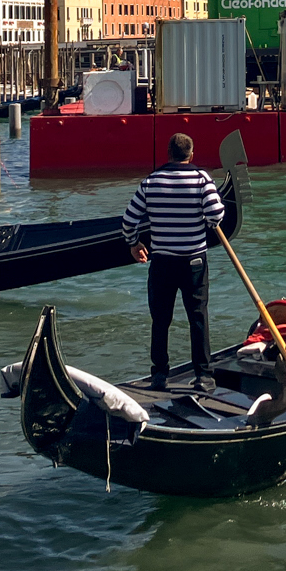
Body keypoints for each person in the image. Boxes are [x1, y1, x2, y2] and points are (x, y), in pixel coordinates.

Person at [122, 133, 225, 391]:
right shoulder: (202, 179)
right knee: (198, 318)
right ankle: (203, 376)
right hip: (194, 262)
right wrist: (206, 220)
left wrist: (134, 244)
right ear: (191, 154)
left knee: (160, 319)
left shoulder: (151, 182)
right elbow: (216, 215)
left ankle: (159, 375)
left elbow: (129, 220)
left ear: (168, 154)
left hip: (162, 262)